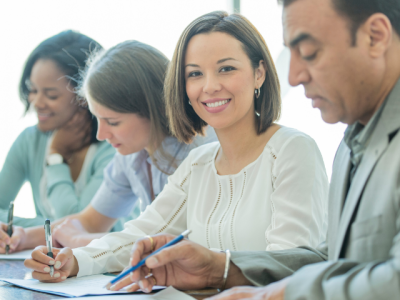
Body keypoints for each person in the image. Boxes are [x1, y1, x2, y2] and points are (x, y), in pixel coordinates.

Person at [30, 0, 399, 298]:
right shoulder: (200, 162)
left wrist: (232, 278)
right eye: (194, 74)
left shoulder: (292, 150)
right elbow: (140, 233)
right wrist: (73, 260)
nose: (208, 87)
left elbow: (295, 264)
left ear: (258, 73)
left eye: (225, 69)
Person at [0, 40, 217, 252]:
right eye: (98, 119)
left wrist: (77, 239)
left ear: (154, 109)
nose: (101, 134)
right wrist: (24, 236)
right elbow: (91, 221)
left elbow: (166, 243)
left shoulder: (200, 151)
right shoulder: (131, 155)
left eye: (112, 122)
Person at [0, 30, 115, 231]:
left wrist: (56, 157)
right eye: (33, 90)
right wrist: (46, 227)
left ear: (84, 95)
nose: (36, 103)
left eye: (51, 95)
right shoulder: (30, 141)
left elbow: (82, 229)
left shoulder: (113, 148)